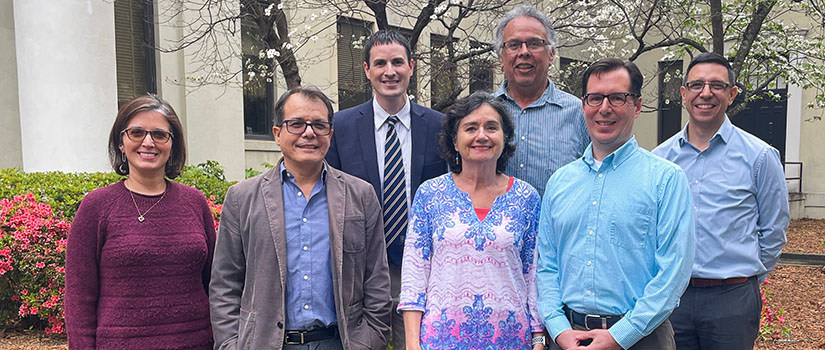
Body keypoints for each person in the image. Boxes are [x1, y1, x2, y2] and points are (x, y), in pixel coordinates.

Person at [210, 86, 391, 350]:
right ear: (277, 134)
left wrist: (370, 340)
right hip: (265, 343)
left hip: (340, 343)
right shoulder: (242, 198)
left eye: (319, 125)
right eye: (296, 124)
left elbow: (376, 279)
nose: (308, 133)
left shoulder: (360, 195)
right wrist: (231, 344)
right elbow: (225, 284)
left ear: (330, 133)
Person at [536, 59, 695, 350]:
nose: (604, 108)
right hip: (569, 338)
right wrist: (558, 328)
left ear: (636, 106)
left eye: (617, 97)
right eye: (595, 98)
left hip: (642, 339)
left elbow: (674, 271)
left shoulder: (666, 179)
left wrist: (622, 334)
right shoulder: (560, 182)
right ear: (584, 105)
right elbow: (547, 266)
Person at [653, 52, 790, 350]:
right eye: (697, 85)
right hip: (673, 299)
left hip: (733, 301)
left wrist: (745, 277)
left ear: (731, 93)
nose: (706, 93)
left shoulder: (760, 157)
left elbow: (774, 229)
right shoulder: (659, 160)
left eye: (716, 85)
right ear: (683, 93)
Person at [326, 29, 447, 350]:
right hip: (362, 269)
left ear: (411, 66)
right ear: (367, 69)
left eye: (397, 62)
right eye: (380, 63)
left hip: (426, 266)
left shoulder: (440, 127)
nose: (389, 71)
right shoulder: (342, 127)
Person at [65, 94, 215, 349]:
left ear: (172, 145)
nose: (148, 142)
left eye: (159, 134)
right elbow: (79, 297)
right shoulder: (97, 206)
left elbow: (214, 281)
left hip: (197, 342)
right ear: (121, 143)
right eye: (136, 132)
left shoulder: (194, 202)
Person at [398, 92, 545, 350]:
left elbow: (532, 274)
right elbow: (414, 275)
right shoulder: (430, 195)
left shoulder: (526, 197)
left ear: (504, 137)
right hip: (440, 340)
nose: (482, 135)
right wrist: (412, 344)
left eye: (491, 127)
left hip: (510, 340)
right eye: (470, 128)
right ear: (455, 141)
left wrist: (538, 339)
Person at [492, 5, 590, 196]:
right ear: (501, 58)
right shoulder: (479, 115)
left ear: (551, 54)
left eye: (534, 43)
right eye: (513, 45)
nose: (524, 52)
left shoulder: (580, 114)